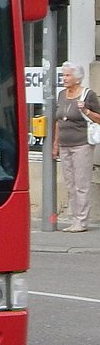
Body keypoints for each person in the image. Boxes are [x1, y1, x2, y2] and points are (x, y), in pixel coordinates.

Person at [51, 60, 99, 233]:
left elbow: (99, 118)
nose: (64, 78)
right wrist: (55, 143)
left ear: (77, 78)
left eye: (68, 75)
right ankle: (74, 219)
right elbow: (58, 121)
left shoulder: (88, 95)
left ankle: (82, 221)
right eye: (63, 75)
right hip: (65, 145)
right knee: (70, 184)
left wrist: (86, 111)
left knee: (81, 184)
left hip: (82, 145)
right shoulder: (62, 95)